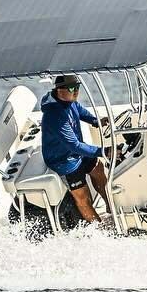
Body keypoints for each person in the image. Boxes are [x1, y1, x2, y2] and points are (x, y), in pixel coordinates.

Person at [39, 74, 113, 226]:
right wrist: (103, 151)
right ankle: (99, 229)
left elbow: (81, 112)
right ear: (59, 90)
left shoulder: (70, 101)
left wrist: (96, 121)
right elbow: (74, 145)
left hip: (77, 153)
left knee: (99, 170)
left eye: (77, 87)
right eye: (72, 88)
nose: (76, 91)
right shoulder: (54, 115)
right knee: (83, 198)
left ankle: (110, 207)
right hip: (63, 161)